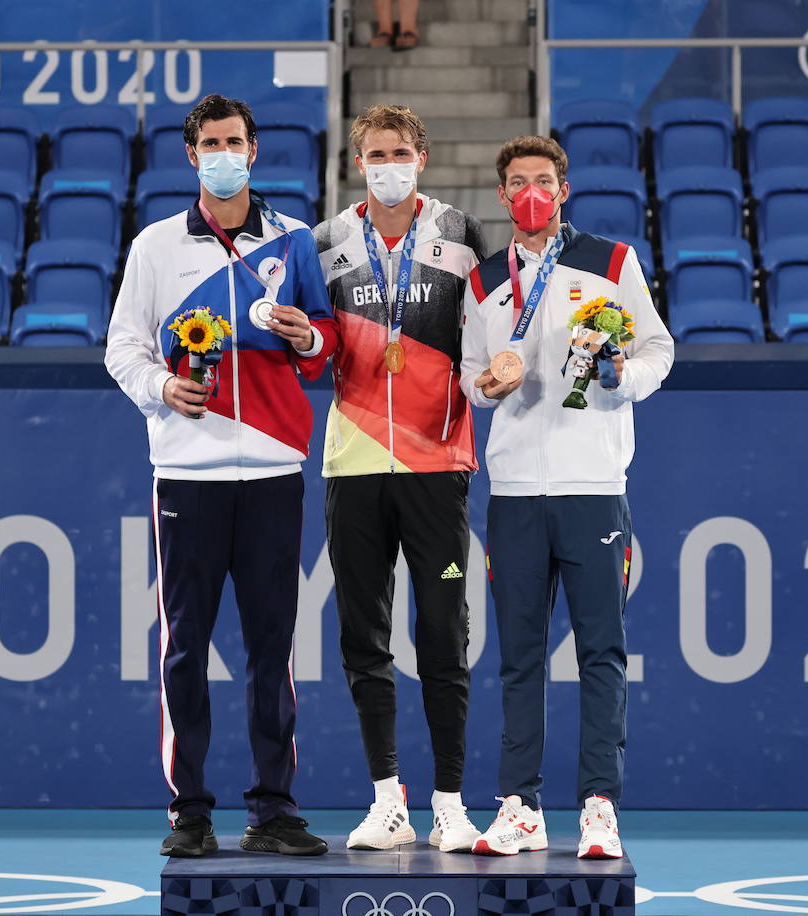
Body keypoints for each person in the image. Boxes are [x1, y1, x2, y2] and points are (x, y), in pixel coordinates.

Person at [105, 93, 339, 859]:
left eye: (233, 140)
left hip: (274, 466)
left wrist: (308, 337)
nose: (223, 153)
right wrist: (162, 389)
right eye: (209, 142)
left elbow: (325, 349)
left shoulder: (297, 240)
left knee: (275, 647)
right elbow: (123, 350)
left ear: (255, 148)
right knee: (186, 645)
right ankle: (190, 811)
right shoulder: (155, 248)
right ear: (191, 155)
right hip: (187, 471)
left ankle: (272, 808)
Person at [459, 135, 674, 860]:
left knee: (601, 655)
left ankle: (598, 808)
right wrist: (487, 388)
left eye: (543, 180)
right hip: (515, 489)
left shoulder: (613, 263)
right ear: (501, 194)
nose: (531, 192)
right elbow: (468, 377)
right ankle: (519, 806)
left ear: (564, 189)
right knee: (518, 657)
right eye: (517, 181)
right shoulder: (484, 279)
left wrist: (620, 377)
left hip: (593, 486)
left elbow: (658, 349)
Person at [313, 104, 487, 852]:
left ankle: (450, 800)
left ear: (422, 157)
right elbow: (314, 347)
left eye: (401, 151)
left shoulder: (460, 237)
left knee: (444, 633)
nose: (388, 163)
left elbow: (482, 343)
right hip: (353, 462)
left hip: (436, 462)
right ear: (359, 163)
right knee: (363, 633)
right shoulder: (325, 244)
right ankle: (387, 798)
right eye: (375, 153)